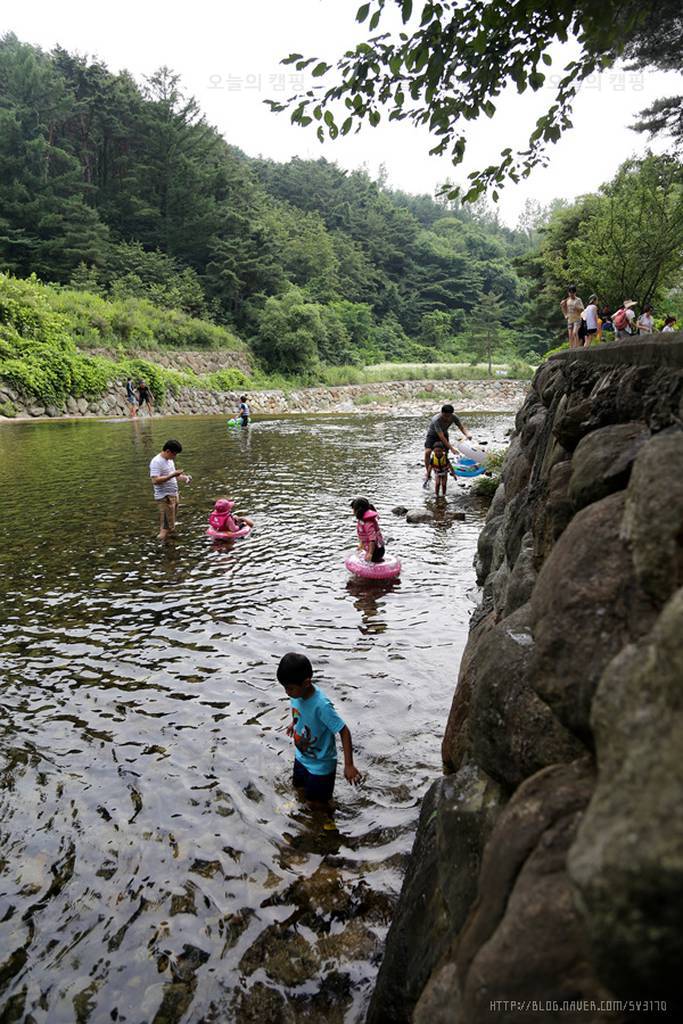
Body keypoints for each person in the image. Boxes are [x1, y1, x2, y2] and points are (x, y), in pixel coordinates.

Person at [277, 651, 361, 807]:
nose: (287, 693)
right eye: (285, 688)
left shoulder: (322, 706)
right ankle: (299, 811)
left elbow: (344, 731)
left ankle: (327, 818)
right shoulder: (296, 695)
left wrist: (348, 765)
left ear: (306, 683)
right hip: (301, 758)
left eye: (290, 688)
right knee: (299, 789)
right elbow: (299, 712)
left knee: (317, 804)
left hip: (321, 766)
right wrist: (294, 723)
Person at [424, 404, 472, 487]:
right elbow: (441, 436)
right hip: (432, 434)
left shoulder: (454, 417)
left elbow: (461, 427)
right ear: (441, 413)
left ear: (451, 414)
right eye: (445, 416)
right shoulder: (436, 419)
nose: (447, 418)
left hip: (444, 433)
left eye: (449, 416)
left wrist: (467, 434)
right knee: (427, 452)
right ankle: (428, 473)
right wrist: (452, 448)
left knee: (445, 454)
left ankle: (443, 470)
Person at [149, 439, 188, 540]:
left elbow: (173, 475)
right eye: (174, 454)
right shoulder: (156, 462)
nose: (175, 456)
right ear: (168, 451)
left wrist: (184, 478)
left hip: (173, 495)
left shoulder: (170, 461)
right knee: (165, 528)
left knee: (171, 524)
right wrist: (172, 475)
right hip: (165, 498)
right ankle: (161, 543)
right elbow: (155, 480)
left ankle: (169, 542)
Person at [351, 497, 385, 563]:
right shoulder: (363, 521)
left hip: (376, 551)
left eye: (353, 509)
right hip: (372, 548)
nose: (352, 512)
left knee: (370, 561)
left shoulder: (368, 523)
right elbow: (364, 535)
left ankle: (377, 561)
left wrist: (370, 554)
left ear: (359, 510)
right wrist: (361, 545)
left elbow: (372, 539)